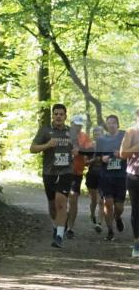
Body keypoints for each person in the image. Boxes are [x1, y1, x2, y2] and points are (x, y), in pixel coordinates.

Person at [30, 104, 75, 249]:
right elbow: (32, 148)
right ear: (52, 116)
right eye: (56, 114)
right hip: (49, 172)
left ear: (65, 116)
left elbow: (79, 148)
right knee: (52, 205)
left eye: (61, 114)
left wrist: (77, 150)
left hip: (66, 172)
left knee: (61, 202)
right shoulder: (45, 130)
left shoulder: (71, 132)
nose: (58, 117)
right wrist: (48, 145)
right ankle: (56, 226)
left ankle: (60, 236)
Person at [96, 114, 127, 241]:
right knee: (107, 203)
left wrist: (121, 155)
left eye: (114, 122)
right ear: (106, 125)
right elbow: (96, 157)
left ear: (118, 124)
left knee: (119, 207)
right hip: (106, 177)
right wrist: (101, 158)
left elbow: (132, 153)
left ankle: (118, 217)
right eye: (109, 123)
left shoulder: (124, 136)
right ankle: (110, 231)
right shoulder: (101, 140)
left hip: (121, 176)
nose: (111, 125)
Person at [65, 114, 91, 239]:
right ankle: (61, 222)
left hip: (76, 173)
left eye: (80, 125)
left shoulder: (84, 137)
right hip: (62, 172)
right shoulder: (64, 134)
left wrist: (78, 149)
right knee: (61, 200)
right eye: (76, 125)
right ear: (71, 124)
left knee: (73, 198)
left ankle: (70, 228)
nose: (78, 127)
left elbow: (89, 150)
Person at [118, 108, 139, 257]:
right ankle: (137, 244)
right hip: (134, 176)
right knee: (137, 210)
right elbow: (122, 154)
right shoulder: (131, 132)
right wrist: (137, 148)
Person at [87, 125, 106, 232]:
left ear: (103, 134)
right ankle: (92, 214)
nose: (97, 135)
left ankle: (99, 223)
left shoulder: (107, 145)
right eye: (95, 133)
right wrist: (95, 159)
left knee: (101, 201)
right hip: (92, 175)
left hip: (103, 175)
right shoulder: (89, 146)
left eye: (99, 133)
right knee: (94, 200)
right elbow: (85, 162)